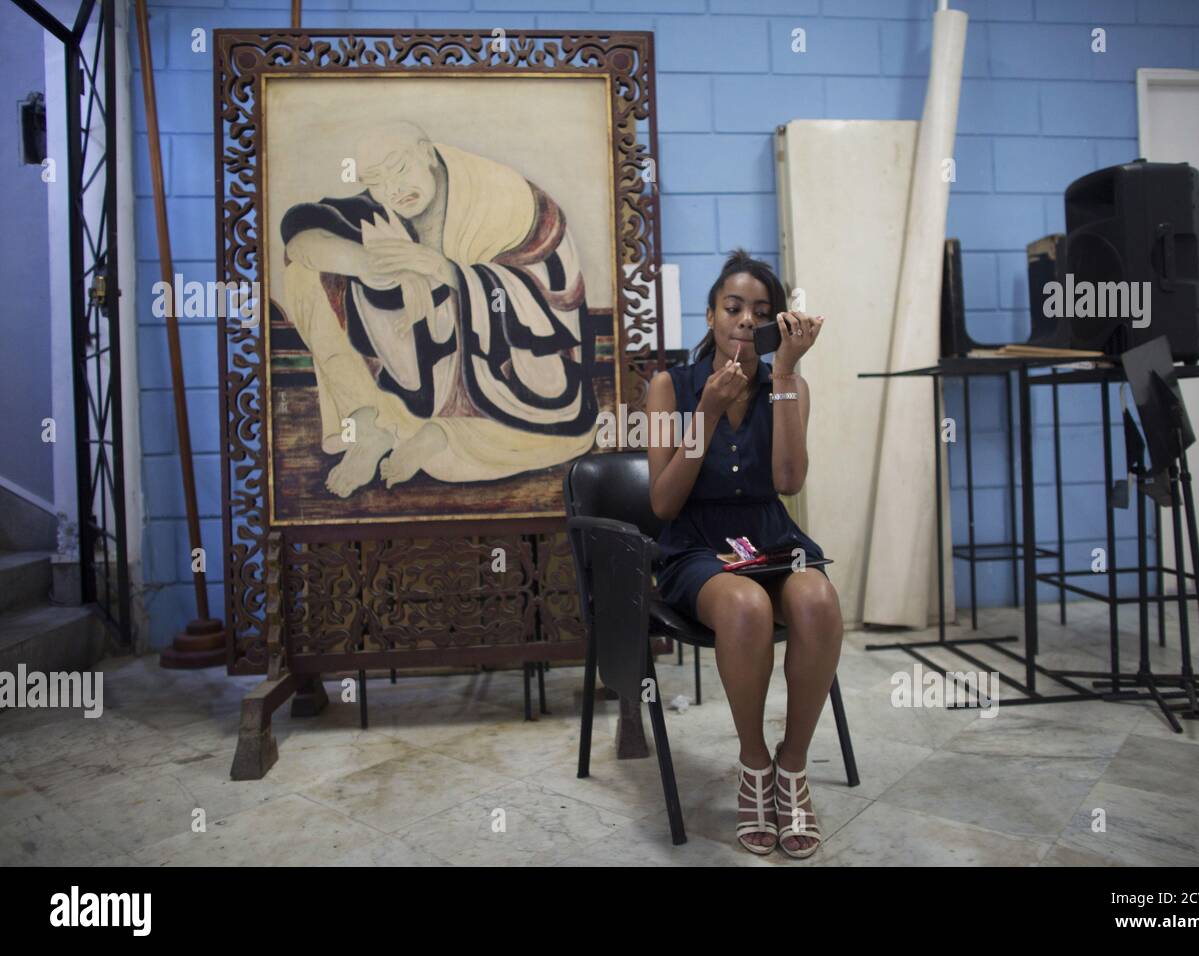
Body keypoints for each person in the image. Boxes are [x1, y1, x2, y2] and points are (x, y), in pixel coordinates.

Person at [278, 120, 598, 497]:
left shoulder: (502, 198)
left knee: (469, 458)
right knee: (303, 275)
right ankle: (369, 427)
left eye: (399, 168)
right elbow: (301, 232)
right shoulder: (384, 204)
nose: (392, 189)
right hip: (427, 355)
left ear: (428, 153)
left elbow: (546, 299)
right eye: (375, 180)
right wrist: (371, 265)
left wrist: (443, 271)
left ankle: (440, 433)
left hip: (513, 366)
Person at [645, 249, 843, 859]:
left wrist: (784, 374)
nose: (743, 320)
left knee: (816, 598)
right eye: (732, 308)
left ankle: (793, 766)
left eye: (760, 311)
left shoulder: (790, 386)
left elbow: (787, 481)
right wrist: (704, 410)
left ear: (776, 323)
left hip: (769, 537)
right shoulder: (666, 387)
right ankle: (753, 761)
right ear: (709, 316)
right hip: (695, 545)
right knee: (746, 607)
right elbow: (663, 502)